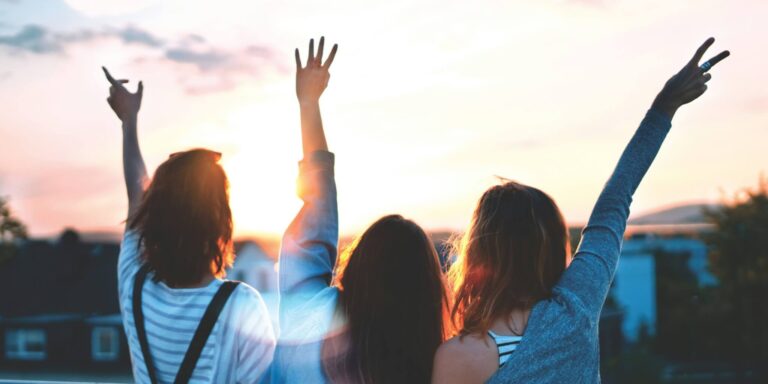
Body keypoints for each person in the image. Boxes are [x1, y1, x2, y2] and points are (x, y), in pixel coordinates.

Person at [432, 38, 730, 383]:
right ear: (551, 247)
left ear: (479, 252)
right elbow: (614, 203)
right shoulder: (575, 308)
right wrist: (664, 108)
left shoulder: (456, 358)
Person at [269, 37, 452, 383]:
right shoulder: (431, 365)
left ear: (358, 266)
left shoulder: (306, 321)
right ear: (425, 291)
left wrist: (308, 104)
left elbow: (317, 212)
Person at [103, 67, 275, 383]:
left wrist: (129, 122)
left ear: (153, 219)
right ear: (220, 223)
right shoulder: (242, 307)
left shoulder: (134, 287)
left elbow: (136, 197)